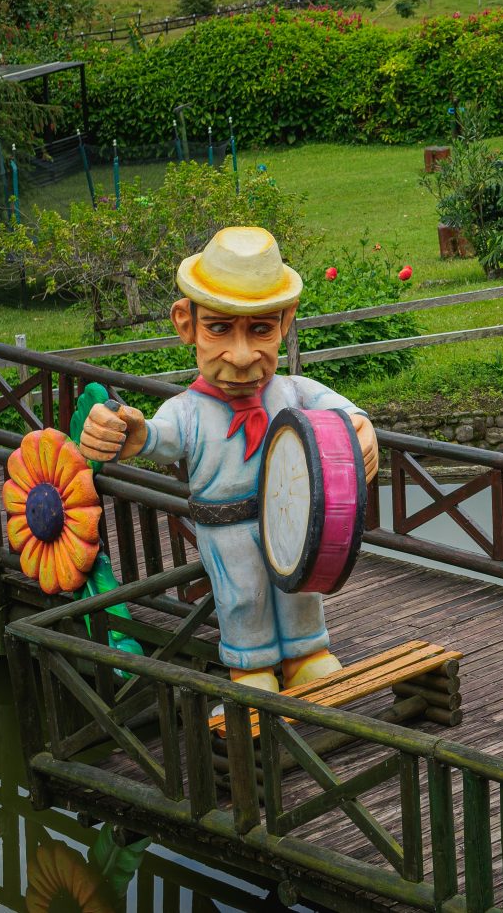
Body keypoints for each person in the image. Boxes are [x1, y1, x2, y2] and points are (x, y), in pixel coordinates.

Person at [78, 227, 379, 692]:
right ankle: (251, 666)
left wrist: (360, 427)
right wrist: (134, 432)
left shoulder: (290, 391)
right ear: (186, 323)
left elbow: (341, 411)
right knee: (243, 595)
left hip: (290, 518)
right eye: (218, 328)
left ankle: (306, 653)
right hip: (227, 528)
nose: (241, 357)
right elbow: (160, 437)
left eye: (261, 329)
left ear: (285, 321)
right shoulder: (189, 410)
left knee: (300, 589)